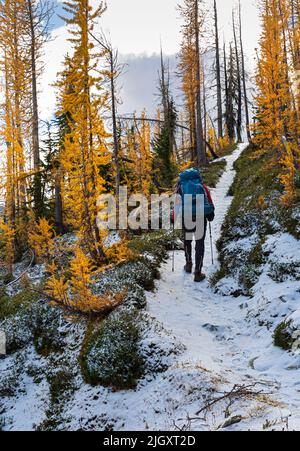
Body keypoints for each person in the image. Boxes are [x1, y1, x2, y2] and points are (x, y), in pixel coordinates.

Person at [176, 168, 215, 283]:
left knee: (187, 241)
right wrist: (210, 214)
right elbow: (209, 201)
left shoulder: (181, 187)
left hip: (186, 216)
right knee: (199, 243)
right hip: (200, 216)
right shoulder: (202, 186)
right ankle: (197, 272)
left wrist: (174, 217)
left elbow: (176, 203)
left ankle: (188, 264)